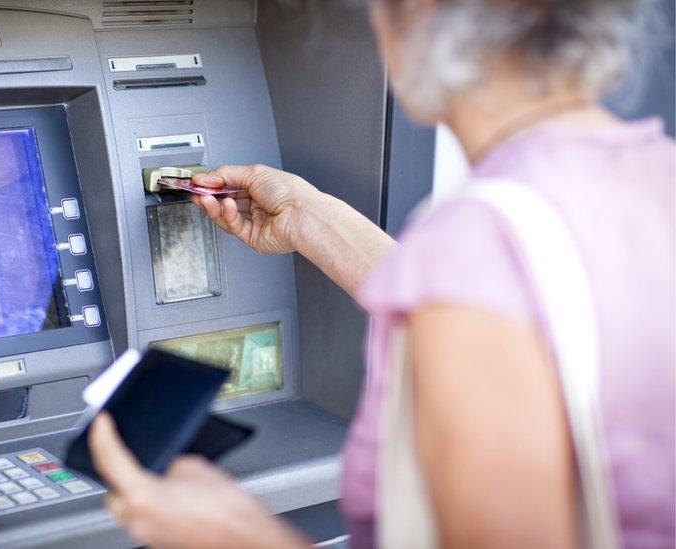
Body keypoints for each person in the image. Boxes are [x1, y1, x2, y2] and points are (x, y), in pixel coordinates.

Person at [88, 0, 676, 547]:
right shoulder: (655, 176)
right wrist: (310, 219)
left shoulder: (476, 250)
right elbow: (522, 307)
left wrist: (238, 534)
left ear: (418, 13)